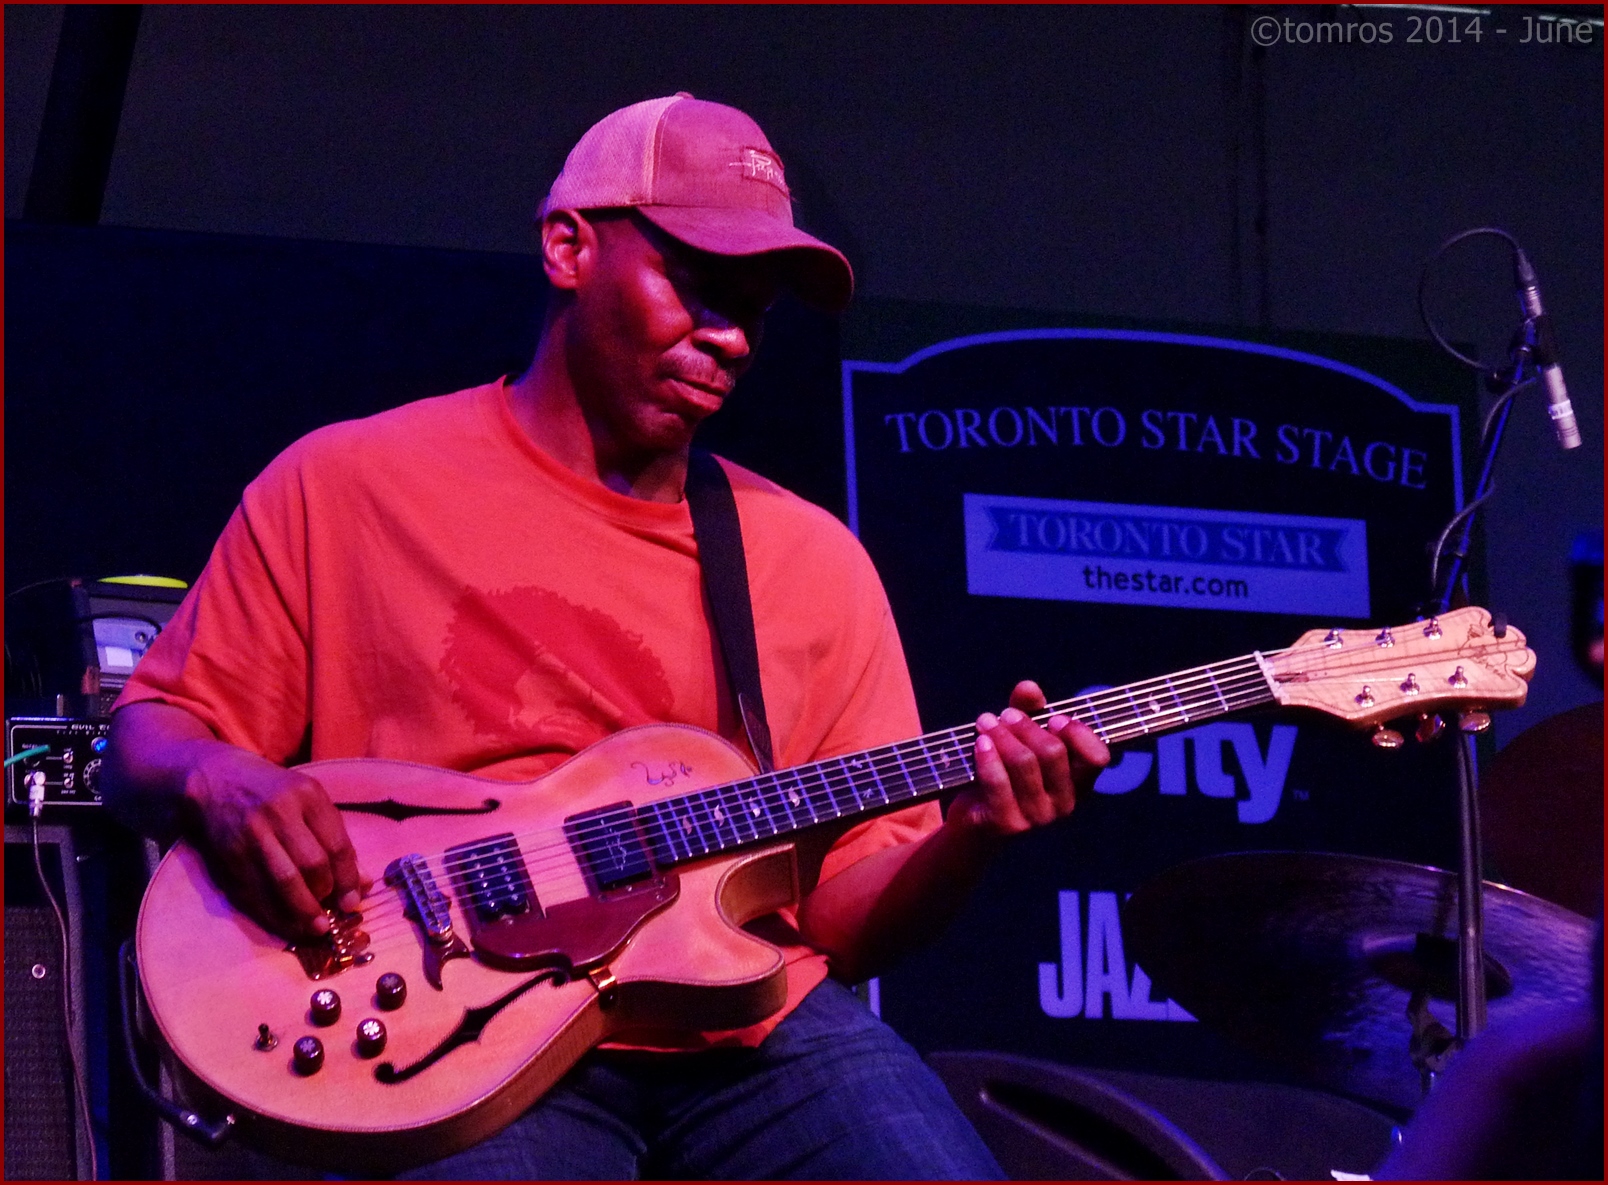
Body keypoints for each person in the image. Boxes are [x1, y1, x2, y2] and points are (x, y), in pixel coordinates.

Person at [104, 93, 1109, 1180]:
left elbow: (848, 918)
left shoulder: (809, 560)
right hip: (453, 1028)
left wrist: (974, 832)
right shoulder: (346, 484)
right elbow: (146, 736)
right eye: (698, 288)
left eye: (754, 311)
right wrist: (218, 777)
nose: (729, 337)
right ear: (569, 247)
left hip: (749, 1034)